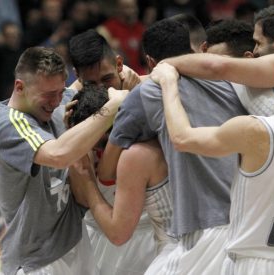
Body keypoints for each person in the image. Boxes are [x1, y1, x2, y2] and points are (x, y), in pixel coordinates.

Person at [158, 4, 274, 273]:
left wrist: (164, 69)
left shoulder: (261, 126)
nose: (253, 54)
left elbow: (216, 66)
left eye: (257, 43)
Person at [102, 17, 249, 274]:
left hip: (203, 228)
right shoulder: (231, 83)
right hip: (248, 222)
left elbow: (106, 172)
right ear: (193, 49)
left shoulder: (145, 95)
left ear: (149, 61)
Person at [0, 46, 127, 275]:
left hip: (75, 243)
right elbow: (58, 155)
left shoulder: (62, 100)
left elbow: (92, 85)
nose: (56, 101)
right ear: (19, 87)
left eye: (60, 92)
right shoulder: (8, 122)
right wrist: (112, 107)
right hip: (37, 259)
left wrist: (131, 76)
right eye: (49, 95)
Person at [67, 28, 157, 275]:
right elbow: (81, 196)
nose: (102, 91)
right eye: (91, 83)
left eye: (107, 80)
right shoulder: (67, 108)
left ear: (119, 64)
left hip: (150, 234)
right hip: (99, 235)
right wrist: (73, 140)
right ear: (77, 77)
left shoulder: (149, 91)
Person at [68, 84, 175, 255]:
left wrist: (88, 182)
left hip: (165, 243)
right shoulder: (163, 119)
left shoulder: (136, 154)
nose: (101, 152)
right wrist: (73, 140)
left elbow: (118, 233)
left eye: (104, 144)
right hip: (153, 239)